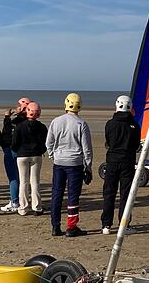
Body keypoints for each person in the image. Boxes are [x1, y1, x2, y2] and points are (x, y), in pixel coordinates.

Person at [46, 93, 93, 237]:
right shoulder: (81, 124)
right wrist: (88, 166)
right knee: (73, 195)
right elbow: (87, 148)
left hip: (59, 162)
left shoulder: (56, 121)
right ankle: (71, 227)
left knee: (57, 194)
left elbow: (49, 143)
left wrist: (53, 156)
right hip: (74, 163)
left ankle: (55, 226)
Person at [101, 95, 140, 235]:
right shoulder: (134, 125)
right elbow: (136, 145)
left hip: (113, 161)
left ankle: (106, 225)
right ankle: (123, 224)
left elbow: (109, 141)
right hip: (126, 161)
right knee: (125, 194)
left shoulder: (110, 124)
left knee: (109, 193)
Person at [12, 101, 47, 216]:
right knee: (35, 181)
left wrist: (18, 150)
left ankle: (23, 208)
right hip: (35, 155)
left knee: (24, 182)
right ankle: (37, 207)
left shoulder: (20, 126)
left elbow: (15, 142)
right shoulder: (42, 127)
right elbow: (45, 142)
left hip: (23, 155)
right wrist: (41, 150)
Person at [0, 97, 30, 212]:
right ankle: (20, 200)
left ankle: (15, 201)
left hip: (14, 151)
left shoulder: (18, 122)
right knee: (23, 178)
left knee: (13, 177)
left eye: (19, 106)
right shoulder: (28, 121)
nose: (16, 107)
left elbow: (7, 134)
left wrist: (7, 117)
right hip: (24, 152)